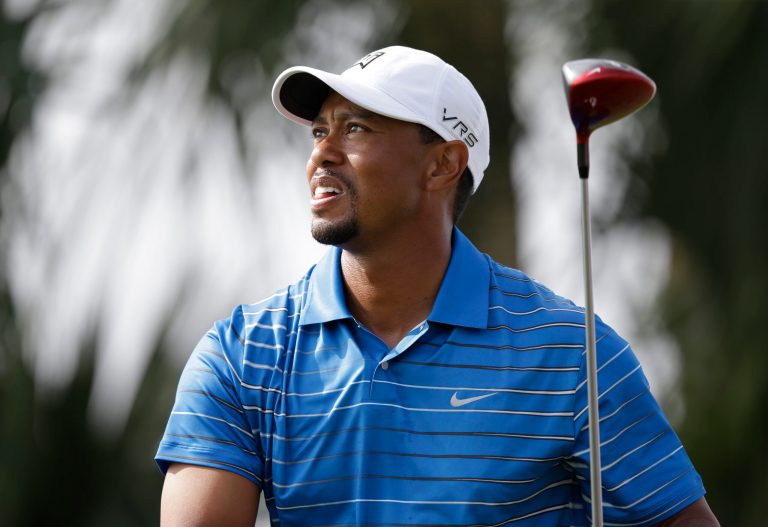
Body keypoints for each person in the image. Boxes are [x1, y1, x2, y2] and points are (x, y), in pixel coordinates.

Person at [156, 46, 719, 526]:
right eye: (320, 131)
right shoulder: (242, 354)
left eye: (355, 128)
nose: (321, 154)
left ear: (443, 164)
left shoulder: (571, 354)